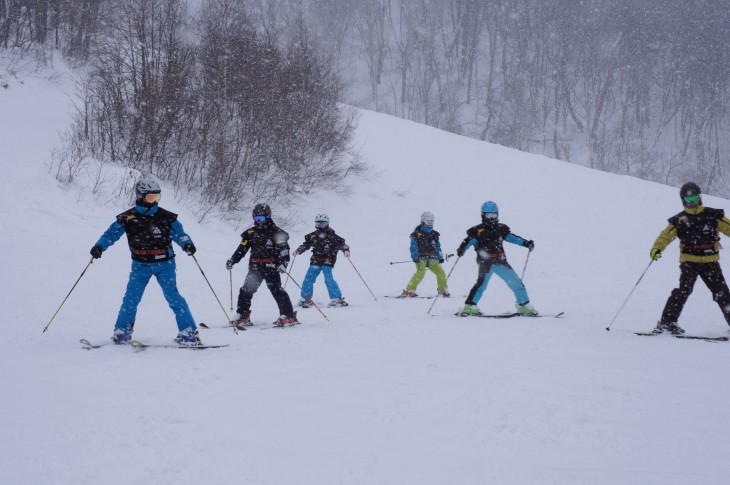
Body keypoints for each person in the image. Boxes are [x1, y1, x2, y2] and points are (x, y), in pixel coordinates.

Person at [90, 177, 201, 346]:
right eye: (151, 198)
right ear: (141, 196)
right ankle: (122, 333)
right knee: (131, 299)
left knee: (174, 298)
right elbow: (111, 234)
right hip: (140, 265)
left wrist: (187, 244)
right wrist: (100, 246)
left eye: (157, 197)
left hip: (165, 264)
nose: (154, 201)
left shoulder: (166, 217)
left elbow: (180, 234)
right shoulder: (128, 218)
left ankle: (189, 333)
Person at [649, 182, 730, 334]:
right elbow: (665, 236)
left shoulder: (712, 215)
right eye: (688, 199)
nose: (692, 202)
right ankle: (667, 322)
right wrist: (657, 248)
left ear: (700, 198)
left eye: (695, 198)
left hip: (710, 261)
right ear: (683, 200)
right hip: (689, 261)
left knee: (722, 292)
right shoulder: (679, 219)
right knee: (683, 291)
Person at [456, 201, 536, 316]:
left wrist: (526, 243)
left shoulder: (501, 228)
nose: (492, 218)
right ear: (483, 215)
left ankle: (524, 306)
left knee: (516, 283)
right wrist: (462, 248)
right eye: (489, 215)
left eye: (494, 215)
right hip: (486, 263)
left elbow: (512, 238)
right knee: (481, 285)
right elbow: (469, 241)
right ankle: (470, 307)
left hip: (500, 261)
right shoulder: (478, 231)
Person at [226, 203, 298, 327]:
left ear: (268, 217)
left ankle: (288, 316)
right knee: (245, 291)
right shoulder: (250, 233)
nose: (259, 221)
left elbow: (284, 250)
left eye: (261, 218)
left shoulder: (277, 233)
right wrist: (233, 260)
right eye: (256, 218)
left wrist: (284, 263)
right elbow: (242, 249)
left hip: (271, 267)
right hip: (255, 267)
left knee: (276, 290)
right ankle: (242, 316)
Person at [295, 214, 351, 308]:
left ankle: (336, 299)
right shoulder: (313, 235)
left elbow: (343, 244)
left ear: (327, 224)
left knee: (328, 278)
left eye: (322, 224)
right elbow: (306, 244)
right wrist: (299, 250)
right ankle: (305, 299)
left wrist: (346, 251)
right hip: (316, 259)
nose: (319, 226)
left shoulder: (332, 236)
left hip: (328, 259)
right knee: (308, 279)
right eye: (317, 224)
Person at [400, 211, 450, 298]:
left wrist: (440, 256)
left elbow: (437, 247)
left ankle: (442, 290)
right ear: (423, 221)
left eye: (432, 222)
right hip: (421, 257)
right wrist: (415, 256)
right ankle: (409, 290)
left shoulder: (434, 234)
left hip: (432, 257)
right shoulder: (416, 234)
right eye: (428, 222)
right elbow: (413, 247)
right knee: (421, 272)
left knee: (440, 272)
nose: (430, 224)